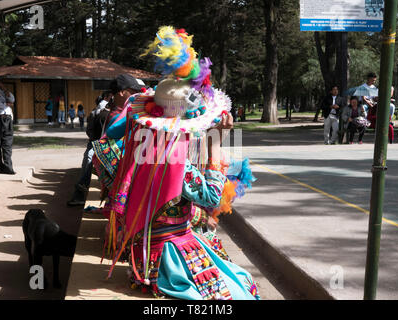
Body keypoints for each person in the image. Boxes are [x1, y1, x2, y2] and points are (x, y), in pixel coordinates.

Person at [102, 26, 260, 300]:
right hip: (167, 256)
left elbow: (171, 202)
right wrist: (216, 144)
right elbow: (211, 197)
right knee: (240, 288)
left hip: (147, 246)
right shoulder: (172, 159)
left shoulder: (146, 146)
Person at [66, 78, 144, 207]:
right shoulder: (119, 115)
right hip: (121, 170)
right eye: (133, 92)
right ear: (121, 92)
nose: (137, 95)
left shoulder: (116, 111)